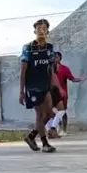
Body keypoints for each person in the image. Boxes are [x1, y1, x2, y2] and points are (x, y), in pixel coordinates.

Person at [20, 19, 65, 153]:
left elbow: (51, 71)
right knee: (40, 115)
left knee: (50, 113)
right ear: (34, 31)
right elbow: (23, 71)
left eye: (44, 28)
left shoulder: (50, 48)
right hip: (33, 87)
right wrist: (22, 91)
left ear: (47, 32)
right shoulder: (28, 48)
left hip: (45, 86)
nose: (41, 30)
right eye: (38, 28)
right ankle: (45, 144)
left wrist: (58, 87)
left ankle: (31, 136)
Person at [46, 52, 87, 137]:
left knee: (63, 112)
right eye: (53, 57)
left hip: (62, 94)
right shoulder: (49, 68)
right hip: (51, 93)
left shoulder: (64, 69)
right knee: (52, 111)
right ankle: (53, 128)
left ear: (60, 58)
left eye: (56, 57)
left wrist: (80, 79)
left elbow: (72, 79)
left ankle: (63, 130)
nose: (55, 59)